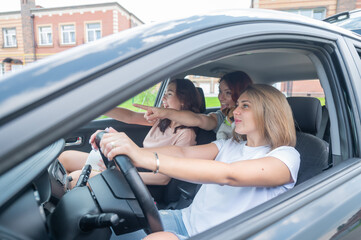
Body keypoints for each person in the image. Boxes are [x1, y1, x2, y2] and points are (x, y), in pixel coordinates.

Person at [92, 84, 300, 240]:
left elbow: (228, 174)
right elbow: (181, 153)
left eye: (245, 106)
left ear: (269, 112)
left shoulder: (285, 156)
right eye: (237, 105)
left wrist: (142, 157)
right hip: (185, 219)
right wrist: (128, 149)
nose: (235, 111)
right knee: (115, 222)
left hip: (216, 234)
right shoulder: (229, 145)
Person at [59, 78, 202, 188]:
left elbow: (163, 179)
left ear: (183, 100)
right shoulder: (162, 119)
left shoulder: (186, 134)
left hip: (141, 180)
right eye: (163, 94)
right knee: (65, 157)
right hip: (130, 163)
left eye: (169, 94)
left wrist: (122, 174)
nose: (163, 98)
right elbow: (130, 117)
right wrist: (99, 107)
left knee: (76, 178)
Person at [134, 71, 252, 140]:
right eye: (220, 92)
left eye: (228, 93)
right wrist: (165, 112)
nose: (220, 98)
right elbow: (199, 119)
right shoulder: (221, 117)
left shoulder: (260, 120)